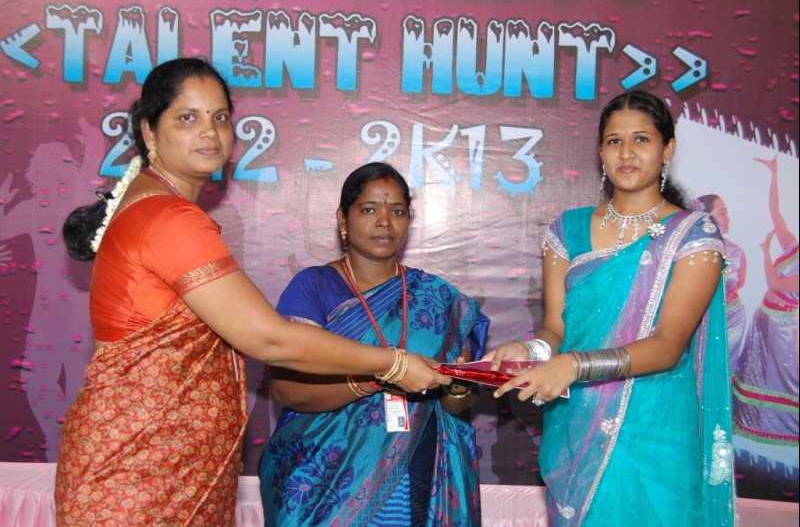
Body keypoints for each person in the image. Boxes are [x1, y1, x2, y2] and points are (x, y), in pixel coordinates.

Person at [56, 59, 449, 525]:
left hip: (163, 464)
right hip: (140, 472)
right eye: (188, 117)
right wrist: (393, 364)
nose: (210, 132)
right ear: (148, 130)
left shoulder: (153, 205)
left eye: (220, 117)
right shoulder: (166, 217)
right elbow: (270, 340)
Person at [488, 90, 735, 525]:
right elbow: (555, 329)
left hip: (657, 426)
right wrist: (529, 351)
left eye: (641, 139)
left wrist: (574, 365)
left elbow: (667, 346)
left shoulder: (693, 235)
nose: (626, 153)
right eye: (614, 141)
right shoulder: (568, 230)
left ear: (667, 150)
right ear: (600, 151)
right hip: (578, 421)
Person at [259, 162, 489, 526]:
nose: (384, 222)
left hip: (416, 470)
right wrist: (380, 377)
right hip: (323, 480)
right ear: (343, 219)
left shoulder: (439, 297)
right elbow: (289, 391)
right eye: (369, 210)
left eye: (397, 211)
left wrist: (458, 388)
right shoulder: (313, 287)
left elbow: (457, 406)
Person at [733, 155, 798, 459]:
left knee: (777, 375)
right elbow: (776, 212)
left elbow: (774, 282)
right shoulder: (794, 246)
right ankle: (747, 421)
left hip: (781, 327)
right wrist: (774, 175)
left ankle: (779, 429)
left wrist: (765, 252)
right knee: (753, 367)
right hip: (765, 317)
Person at [694, 194, 748, 370]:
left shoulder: (736, 251)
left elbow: (739, 283)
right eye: (722, 212)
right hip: (700, 318)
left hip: (731, 316)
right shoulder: (692, 250)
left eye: (726, 212)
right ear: (706, 217)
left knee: (724, 366)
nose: (727, 217)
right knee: (699, 365)